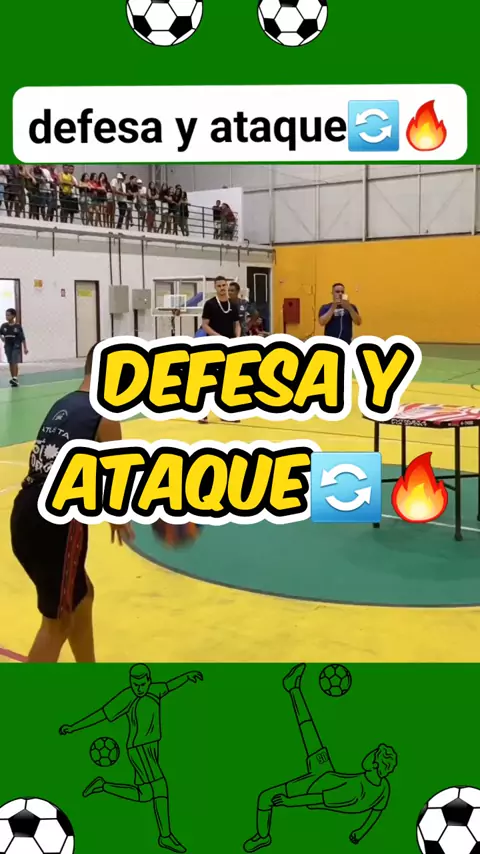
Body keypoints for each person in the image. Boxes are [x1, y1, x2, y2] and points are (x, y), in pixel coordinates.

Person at [9, 344, 134, 663]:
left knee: (82, 596)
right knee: (58, 622)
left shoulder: (63, 403)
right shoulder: (105, 413)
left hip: (25, 512)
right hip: (55, 523)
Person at [243, 664, 397, 852]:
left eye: (372, 754)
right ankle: (293, 688)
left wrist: (289, 801)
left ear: (373, 764)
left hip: (314, 785)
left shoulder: (354, 791)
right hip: (327, 775)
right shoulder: (383, 787)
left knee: (265, 797)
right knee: (309, 731)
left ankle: (263, 837)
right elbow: (376, 812)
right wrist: (360, 833)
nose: (368, 754)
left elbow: (318, 798)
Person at [59, 664, 203, 854]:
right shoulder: (127, 697)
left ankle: (103, 786)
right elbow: (102, 714)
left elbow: (170, 685)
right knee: (160, 787)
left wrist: (187, 676)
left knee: (145, 794)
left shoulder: (155, 691)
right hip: (139, 749)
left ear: (149, 681)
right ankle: (165, 836)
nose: (139, 689)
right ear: (130, 683)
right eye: (135, 685)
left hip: (153, 747)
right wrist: (73, 727)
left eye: (142, 684)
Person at [0, 308, 28, 387]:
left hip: (16, 346)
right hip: (7, 346)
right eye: (6, 315)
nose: (7, 317)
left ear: (13, 316)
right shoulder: (4, 326)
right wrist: (1, 337)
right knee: (10, 362)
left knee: (14, 361)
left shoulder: (17, 326)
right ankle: (13, 379)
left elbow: (22, 338)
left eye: (8, 315)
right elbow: (0, 333)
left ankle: (15, 378)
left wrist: (25, 348)